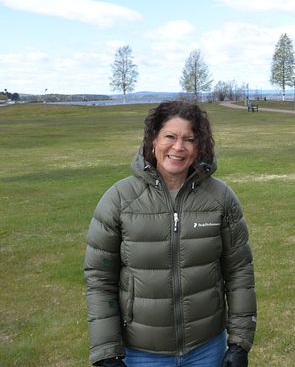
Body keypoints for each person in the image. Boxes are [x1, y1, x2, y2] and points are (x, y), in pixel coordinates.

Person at [85, 101, 256, 366]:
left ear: (199, 146)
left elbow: (239, 272)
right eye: (170, 136)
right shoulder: (118, 200)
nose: (178, 147)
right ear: (153, 140)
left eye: (189, 139)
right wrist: (106, 352)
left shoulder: (221, 199)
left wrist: (239, 342)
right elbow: (99, 279)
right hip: (140, 353)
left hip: (207, 349)